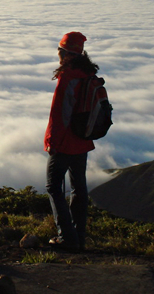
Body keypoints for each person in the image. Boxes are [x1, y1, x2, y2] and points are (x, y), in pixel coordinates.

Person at [44, 31, 99, 252]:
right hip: (83, 140)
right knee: (79, 188)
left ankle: (66, 237)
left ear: (65, 53)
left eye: (59, 50)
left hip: (65, 142)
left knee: (53, 187)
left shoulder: (67, 77)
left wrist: (52, 141)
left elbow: (60, 114)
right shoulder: (88, 74)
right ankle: (79, 236)